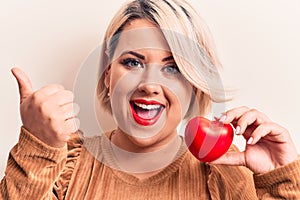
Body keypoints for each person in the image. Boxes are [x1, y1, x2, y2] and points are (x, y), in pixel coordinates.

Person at [1, 0, 299, 199]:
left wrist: (279, 180)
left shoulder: (225, 174)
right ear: (107, 73)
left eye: (172, 68)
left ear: (194, 85)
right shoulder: (65, 166)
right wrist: (37, 148)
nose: (149, 85)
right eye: (132, 63)